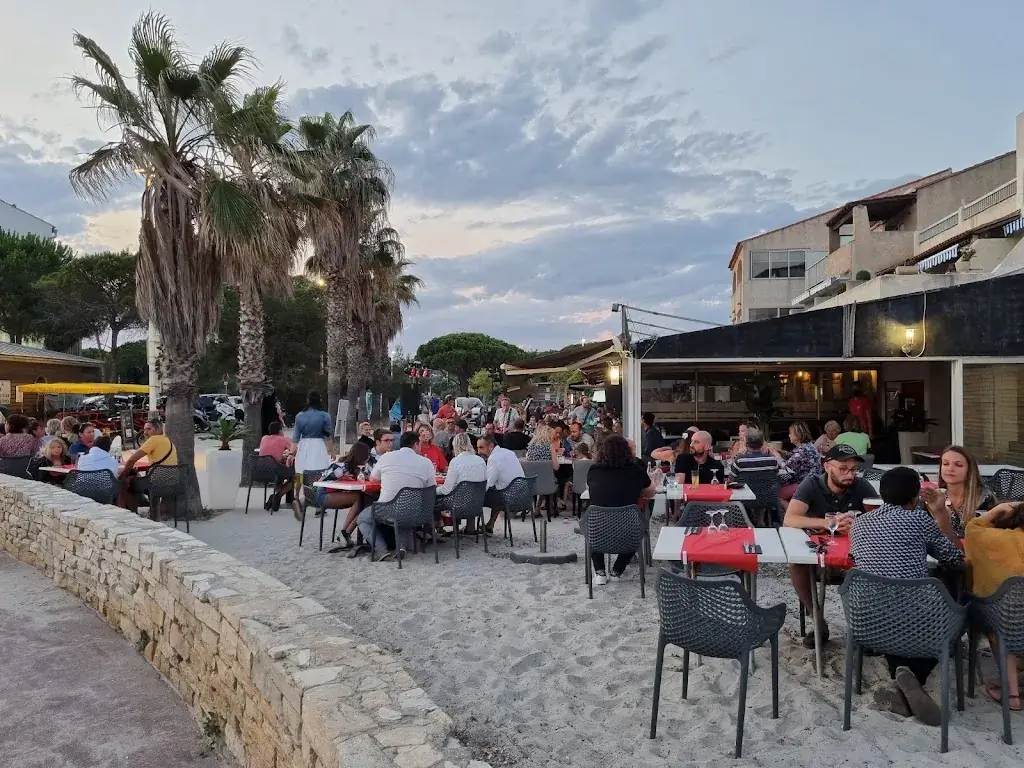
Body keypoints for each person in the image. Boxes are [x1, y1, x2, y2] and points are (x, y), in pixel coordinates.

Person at [851, 467, 963, 725]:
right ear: (916, 498)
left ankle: (901, 679)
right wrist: (938, 514)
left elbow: (857, 559)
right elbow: (954, 559)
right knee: (959, 613)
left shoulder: (860, 523)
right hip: (912, 619)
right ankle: (915, 676)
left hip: (865, 619)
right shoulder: (918, 520)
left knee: (897, 617)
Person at [784, 443, 876, 646]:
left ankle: (868, 629)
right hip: (820, 556)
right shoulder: (812, 484)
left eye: (853, 469)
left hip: (855, 558)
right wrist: (826, 523)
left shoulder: (861, 487)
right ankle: (818, 620)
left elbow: (881, 521)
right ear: (827, 466)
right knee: (796, 564)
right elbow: (790, 519)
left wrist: (857, 525)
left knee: (880, 567)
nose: (849, 475)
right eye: (843, 469)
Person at [965, 502, 1024, 712]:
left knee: (1002, 620)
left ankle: (1013, 695)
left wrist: (996, 510)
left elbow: (972, 528)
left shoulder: (996, 539)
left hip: (1006, 621)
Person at [585, 434, 657, 585]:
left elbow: (591, 489)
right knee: (637, 529)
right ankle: (617, 570)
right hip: (628, 529)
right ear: (626, 451)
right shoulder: (636, 470)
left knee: (591, 525)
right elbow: (651, 491)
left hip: (598, 529)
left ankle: (599, 572)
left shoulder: (594, 470)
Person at [354, 431, 436, 561]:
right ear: (415, 444)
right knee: (403, 512)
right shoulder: (426, 462)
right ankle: (401, 546)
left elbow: (373, 479)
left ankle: (381, 549)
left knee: (363, 519)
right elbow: (431, 488)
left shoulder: (386, 457)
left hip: (389, 510)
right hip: (417, 512)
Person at [316, 441, 371, 549]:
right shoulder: (340, 466)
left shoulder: (359, 469)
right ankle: (345, 533)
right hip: (324, 494)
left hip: (338, 494)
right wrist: (340, 478)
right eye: (367, 455)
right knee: (360, 498)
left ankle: (345, 533)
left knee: (366, 499)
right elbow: (322, 480)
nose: (369, 457)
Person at [937, 445, 997, 537]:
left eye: (958, 465)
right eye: (945, 464)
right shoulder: (936, 497)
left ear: (969, 470)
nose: (950, 469)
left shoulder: (984, 498)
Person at [122, 419, 178, 515]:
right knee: (139, 478)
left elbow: (132, 460)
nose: (145, 432)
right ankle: (153, 510)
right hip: (173, 481)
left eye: (148, 429)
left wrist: (123, 475)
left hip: (157, 482)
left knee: (129, 482)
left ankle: (134, 514)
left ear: (157, 430)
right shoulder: (167, 440)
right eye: (144, 429)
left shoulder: (153, 439)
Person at [436, 432, 488, 531]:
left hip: (458, 505)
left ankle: (436, 527)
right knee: (467, 493)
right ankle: (470, 528)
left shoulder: (455, 462)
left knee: (436, 500)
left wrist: (435, 490)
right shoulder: (481, 461)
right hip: (477, 504)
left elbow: (446, 490)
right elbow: (485, 485)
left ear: (455, 445)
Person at [476, 433, 526, 534]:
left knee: (475, 496)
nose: (479, 451)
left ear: (490, 446)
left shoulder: (494, 458)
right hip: (523, 496)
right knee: (497, 490)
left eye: (481, 447)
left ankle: (470, 527)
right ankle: (490, 524)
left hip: (508, 499)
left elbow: (488, 484)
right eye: (477, 448)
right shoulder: (508, 452)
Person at [776, 422, 822, 503]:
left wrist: (776, 455)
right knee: (783, 484)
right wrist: (779, 451)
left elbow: (785, 466)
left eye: (790, 433)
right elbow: (791, 455)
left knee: (777, 494)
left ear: (798, 435)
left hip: (806, 484)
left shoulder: (802, 450)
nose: (789, 435)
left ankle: (791, 514)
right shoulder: (808, 446)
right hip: (813, 482)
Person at [292, 391, 334, 476]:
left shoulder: (300, 416)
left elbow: (295, 437)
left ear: (308, 400)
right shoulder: (325, 416)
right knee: (319, 472)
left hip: (304, 447)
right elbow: (327, 436)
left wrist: (291, 453)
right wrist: (331, 451)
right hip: (319, 446)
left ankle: (301, 489)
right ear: (319, 400)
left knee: (302, 473)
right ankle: (315, 489)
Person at [258, 422, 296, 511]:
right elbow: (294, 449)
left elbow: (270, 453)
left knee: (283, 473)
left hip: (259, 471)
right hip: (275, 470)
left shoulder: (264, 438)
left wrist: (281, 456)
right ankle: (277, 495)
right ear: (280, 430)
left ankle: (276, 495)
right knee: (295, 476)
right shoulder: (282, 439)